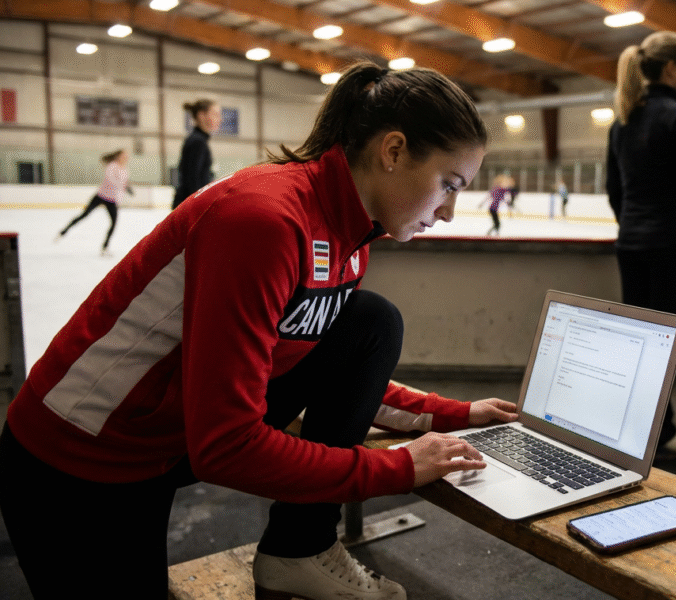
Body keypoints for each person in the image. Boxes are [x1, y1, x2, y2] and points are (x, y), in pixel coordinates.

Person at [0, 61, 518, 600]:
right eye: (448, 185)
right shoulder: (263, 220)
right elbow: (225, 445)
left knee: (370, 323)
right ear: (392, 152)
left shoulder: (351, 234)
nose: (452, 211)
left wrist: (454, 415)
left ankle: (300, 549)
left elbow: (319, 364)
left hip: (161, 443)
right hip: (75, 466)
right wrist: (394, 468)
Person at [606, 31, 676, 457]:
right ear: (670, 69)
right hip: (672, 243)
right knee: (664, 341)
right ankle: (663, 432)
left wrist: (633, 223)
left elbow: (614, 188)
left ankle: (637, 429)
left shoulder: (624, 118)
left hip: (631, 242)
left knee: (638, 339)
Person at [56, 148, 131, 256]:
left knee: (114, 223)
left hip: (112, 200)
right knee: (84, 214)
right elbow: (110, 179)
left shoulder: (124, 170)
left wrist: (126, 188)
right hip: (101, 196)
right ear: (118, 156)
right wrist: (122, 185)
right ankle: (64, 231)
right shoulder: (112, 166)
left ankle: (105, 247)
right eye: (124, 155)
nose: (125, 158)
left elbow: (122, 184)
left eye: (126, 156)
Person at [172, 98, 221, 209]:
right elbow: (193, 180)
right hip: (189, 207)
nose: (219, 119)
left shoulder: (198, 140)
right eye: (215, 114)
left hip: (188, 204)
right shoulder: (197, 142)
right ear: (201, 115)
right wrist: (200, 207)